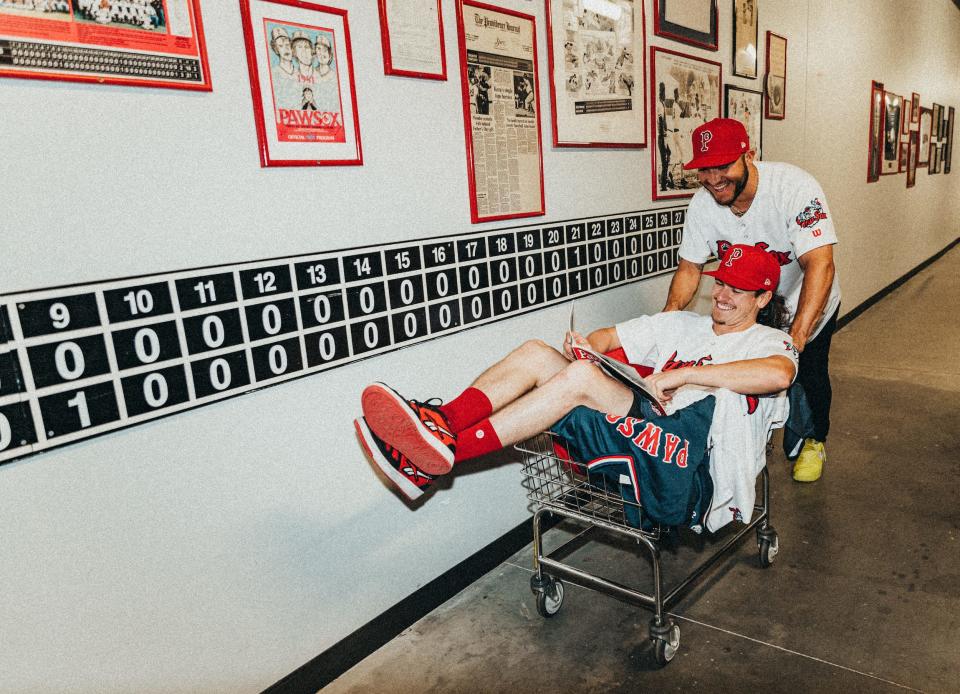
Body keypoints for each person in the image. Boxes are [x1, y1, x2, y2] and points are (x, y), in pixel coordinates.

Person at [356, 245, 798, 529]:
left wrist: (682, 375)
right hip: (644, 414)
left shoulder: (766, 339)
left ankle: (439, 458)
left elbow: (778, 375)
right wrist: (588, 345)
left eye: (738, 290)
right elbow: (610, 336)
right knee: (536, 352)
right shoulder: (682, 324)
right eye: (721, 282)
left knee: (582, 380)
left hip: (683, 447)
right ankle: (441, 427)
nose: (722, 295)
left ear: (761, 299)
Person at [663, 117, 840, 483]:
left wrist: (798, 336)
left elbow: (820, 264)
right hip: (751, 308)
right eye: (705, 170)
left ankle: (813, 439)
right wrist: (668, 320)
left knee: (807, 373)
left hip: (805, 299)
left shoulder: (793, 187)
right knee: (737, 374)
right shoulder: (703, 204)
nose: (714, 179)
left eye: (724, 167)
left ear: (750, 155)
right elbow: (689, 269)